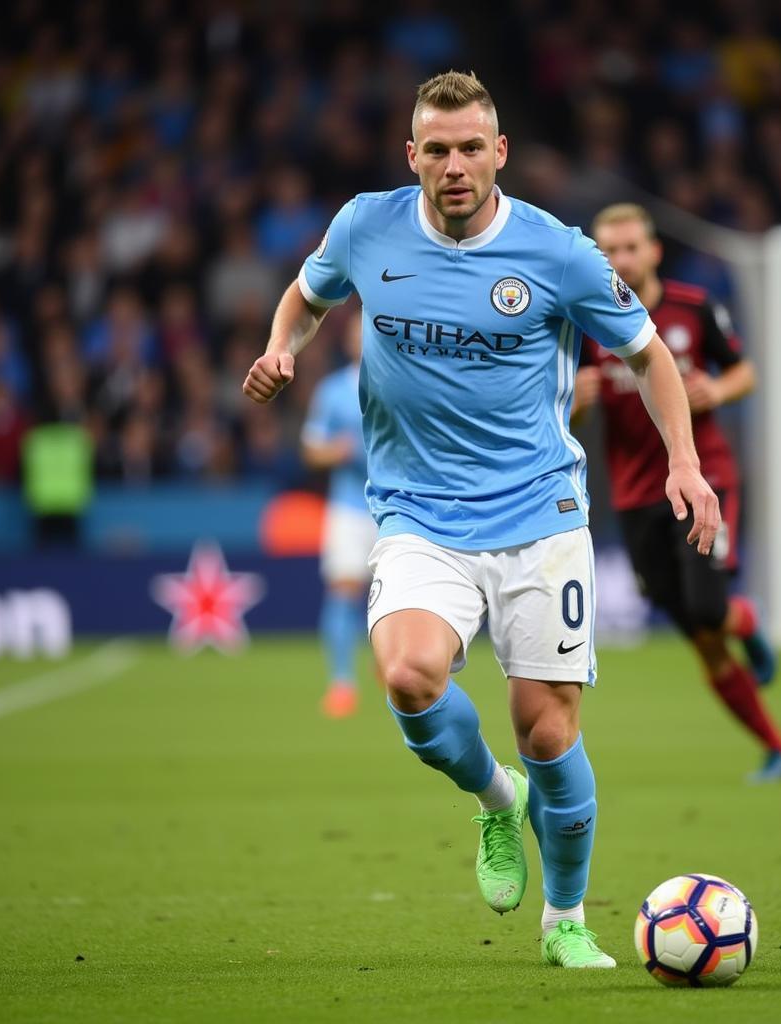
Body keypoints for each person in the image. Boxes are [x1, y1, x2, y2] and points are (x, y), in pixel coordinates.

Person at [242, 71, 720, 968]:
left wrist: (684, 465)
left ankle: (566, 920)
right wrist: (280, 347)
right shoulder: (364, 226)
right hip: (418, 513)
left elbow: (651, 355)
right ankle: (498, 802)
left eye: (471, 148)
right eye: (438, 149)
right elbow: (308, 297)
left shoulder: (559, 252)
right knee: (412, 678)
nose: (454, 166)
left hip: (541, 514)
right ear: (411, 156)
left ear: (499, 153)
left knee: (547, 727)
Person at [573, 203, 781, 783]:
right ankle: (777, 745)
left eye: (631, 248)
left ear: (653, 252)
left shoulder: (694, 309)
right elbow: (554, 402)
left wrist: (716, 391)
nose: (621, 259)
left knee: (706, 610)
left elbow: (744, 371)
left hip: (702, 477)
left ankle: (739, 617)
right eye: (610, 251)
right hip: (633, 496)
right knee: (700, 636)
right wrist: (576, 398)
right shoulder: (584, 321)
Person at [301, 309, 375, 718]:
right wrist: (337, 451)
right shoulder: (332, 391)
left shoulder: (404, 384)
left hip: (395, 507)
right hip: (349, 508)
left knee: (399, 599)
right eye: (356, 332)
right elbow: (310, 449)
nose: (362, 338)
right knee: (344, 592)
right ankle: (342, 682)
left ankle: (392, 668)